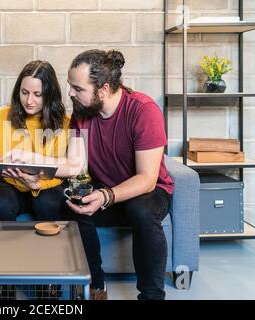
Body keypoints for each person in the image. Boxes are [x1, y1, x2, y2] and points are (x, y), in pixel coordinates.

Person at [65, 49, 174, 300]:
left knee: (141, 209)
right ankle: (95, 286)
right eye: (70, 86)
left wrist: (105, 196)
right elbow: (77, 168)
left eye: (77, 88)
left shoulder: (143, 110)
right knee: (71, 203)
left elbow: (147, 179)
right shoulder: (80, 114)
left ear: (103, 89)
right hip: (105, 190)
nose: (70, 93)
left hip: (148, 191)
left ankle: (151, 296)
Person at [0, 60, 72, 223]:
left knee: (49, 203)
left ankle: (50, 249)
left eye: (37, 94)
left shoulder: (64, 123)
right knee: (0, 204)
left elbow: (61, 170)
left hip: (45, 186)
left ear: (49, 95)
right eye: (24, 92)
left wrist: (37, 185)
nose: (29, 101)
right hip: (9, 185)